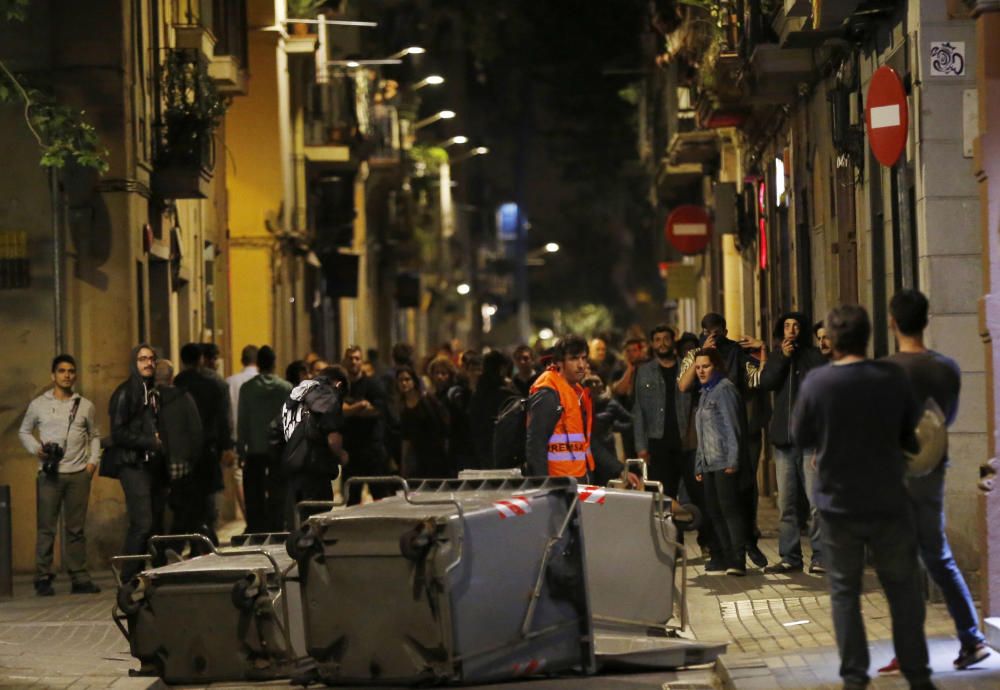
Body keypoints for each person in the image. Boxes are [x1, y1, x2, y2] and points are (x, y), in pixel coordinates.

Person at [791, 305, 933, 690]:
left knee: (845, 592)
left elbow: (800, 436)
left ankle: (855, 676)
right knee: (902, 589)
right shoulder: (892, 377)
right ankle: (918, 675)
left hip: (839, 505)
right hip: (889, 499)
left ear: (832, 341)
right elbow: (910, 434)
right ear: (869, 335)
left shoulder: (818, 384)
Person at [878, 290, 989, 672]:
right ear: (927, 320)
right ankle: (971, 639)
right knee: (938, 555)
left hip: (895, 473)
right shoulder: (947, 369)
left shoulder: (885, 371)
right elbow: (947, 419)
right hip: (933, 469)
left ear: (892, 321)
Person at [678, 312, 767, 568]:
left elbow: (757, 381)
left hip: (728, 447)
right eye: (707, 331)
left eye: (716, 331)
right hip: (709, 449)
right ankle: (726, 553)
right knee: (715, 507)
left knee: (737, 501)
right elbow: (683, 386)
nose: (712, 335)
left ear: (725, 331)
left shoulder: (732, 365)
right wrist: (701, 355)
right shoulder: (696, 361)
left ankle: (741, 551)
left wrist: (763, 353)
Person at [18, 354, 101, 595]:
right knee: (46, 528)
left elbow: (94, 435)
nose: (67, 375)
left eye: (71, 371)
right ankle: (43, 577)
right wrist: (37, 449)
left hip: (78, 474)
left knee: (76, 529)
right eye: (62, 371)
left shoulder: (85, 405)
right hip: (49, 474)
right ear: (53, 375)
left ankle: (79, 577)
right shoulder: (38, 404)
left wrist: (92, 464)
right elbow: (24, 432)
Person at [759, 312, 827, 575]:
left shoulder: (813, 357)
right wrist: (782, 358)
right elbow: (767, 383)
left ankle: (820, 555)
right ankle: (790, 556)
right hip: (783, 441)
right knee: (786, 503)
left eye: (796, 326)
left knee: (814, 502)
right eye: (787, 326)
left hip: (809, 440)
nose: (791, 330)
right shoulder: (778, 357)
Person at [526, 335, 639, 486]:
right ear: (560, 362)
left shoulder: (577, 392)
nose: (581, 365)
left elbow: (587, 443)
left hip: (578, 480)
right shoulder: (549, 393)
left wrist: (619, 469)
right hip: (558, 484)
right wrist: (543, 486)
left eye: (583, 358)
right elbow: (535, 444)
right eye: (573, 359)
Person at [109, 344, 166, 581]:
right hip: (132, 465)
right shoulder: (125, 393)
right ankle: (128, 577)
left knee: (154, 523)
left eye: (151, 358)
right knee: (142, 522)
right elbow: (118, 433)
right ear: (134, 362)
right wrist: (148, 442)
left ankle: (151, 574)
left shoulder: (153, 392)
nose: (148, 363)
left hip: (151, 465)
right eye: (142, 359)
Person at [692, 348, 750, 576]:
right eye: (697, 367)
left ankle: (738, 558)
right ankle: (726, 556)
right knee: (714, 511)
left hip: (724, 460)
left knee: (729, 510)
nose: (701, 371)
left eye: (705, 366)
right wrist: (699, 463)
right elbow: (702, 432)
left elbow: (732, 427)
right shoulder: (705, 392)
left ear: (715, 365)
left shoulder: (724, 389)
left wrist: (733, 460)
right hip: (708, 462)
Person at [174, 343, 231, 546]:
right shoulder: (215, 383)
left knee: (187, 498)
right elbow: (224, 418)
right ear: (200, 359)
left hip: (182, 449)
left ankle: (189, 540)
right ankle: (206, 541)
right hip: (209, 447)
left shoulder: (177, 383)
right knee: (208, 497)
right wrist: (227, 445)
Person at [282, 366, 349, 528]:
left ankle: (300, 545)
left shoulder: (298, 394)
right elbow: (333, 438)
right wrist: (342, 455)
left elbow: (275, 428)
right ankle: (313, 547)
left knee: (299, 517)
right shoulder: (329, 396)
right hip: (316, 467)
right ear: (338, 384)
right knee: (319, 514)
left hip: (293, 466)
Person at [237, 346, 292, 533]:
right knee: (278, 491)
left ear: (258, 364)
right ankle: (277, 525)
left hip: (255, 450)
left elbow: (242, 421)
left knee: (254, 493)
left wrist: (240, 449)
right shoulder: (285, 388)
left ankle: (256, 527)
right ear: (274, 363)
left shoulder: (247, 389)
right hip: (278, 450)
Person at [153, 360, 205, 545]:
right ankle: (176, 544)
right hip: (180, 460)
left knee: (156, 509)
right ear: (171, 377)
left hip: (155, 462)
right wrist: (193, 457)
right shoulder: (183, 398)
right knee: (182, 507)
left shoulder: (147, 399)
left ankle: (158, 551)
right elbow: (196, 430)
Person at [341, 345, 390, 505]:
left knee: (380, 499)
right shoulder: (340, 387)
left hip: (372, 451)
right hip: (351, 451)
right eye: (350, 358)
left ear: (362, 361)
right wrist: (360, 405)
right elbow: (338, 410)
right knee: (351, 501)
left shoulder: (373, 385)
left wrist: (350, 409)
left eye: (357, 358)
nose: (353, 362)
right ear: (344, 361)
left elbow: (376, 411)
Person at [396, 365, 451, 478]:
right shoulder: (403, 406)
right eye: (401, 380)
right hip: (418, 455)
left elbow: (442, 424)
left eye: (407, 379)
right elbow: (406, 437)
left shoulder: (427, 400)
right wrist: (404, 464)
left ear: (414, 381)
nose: (404, 383)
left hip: (436, 452)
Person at [469, 350, 519, 469]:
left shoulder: (478, 391)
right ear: (502, 368)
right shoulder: (505, 394)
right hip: (503, 451)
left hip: (481, 450)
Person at [585, 374, 632, 485]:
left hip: (606, 451)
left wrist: (614, 427)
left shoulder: (610, 404)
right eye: (590, 383)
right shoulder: (582, 404)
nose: (594, 385)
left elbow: (630, 421)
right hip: (588, 456)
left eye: (597, 382)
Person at [226, 345, 259, 431]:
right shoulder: (267, 383)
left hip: (235, 435)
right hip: (259, 438)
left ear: (242, 361)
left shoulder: (229, 382)